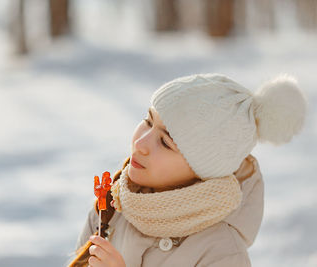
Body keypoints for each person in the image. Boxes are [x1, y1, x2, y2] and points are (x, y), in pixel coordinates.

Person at [68, 73, 308, 267]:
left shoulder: (222, 252)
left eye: (165, 143)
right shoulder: (111, 210)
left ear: (202, 173)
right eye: (148, 121)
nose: (140, 144)